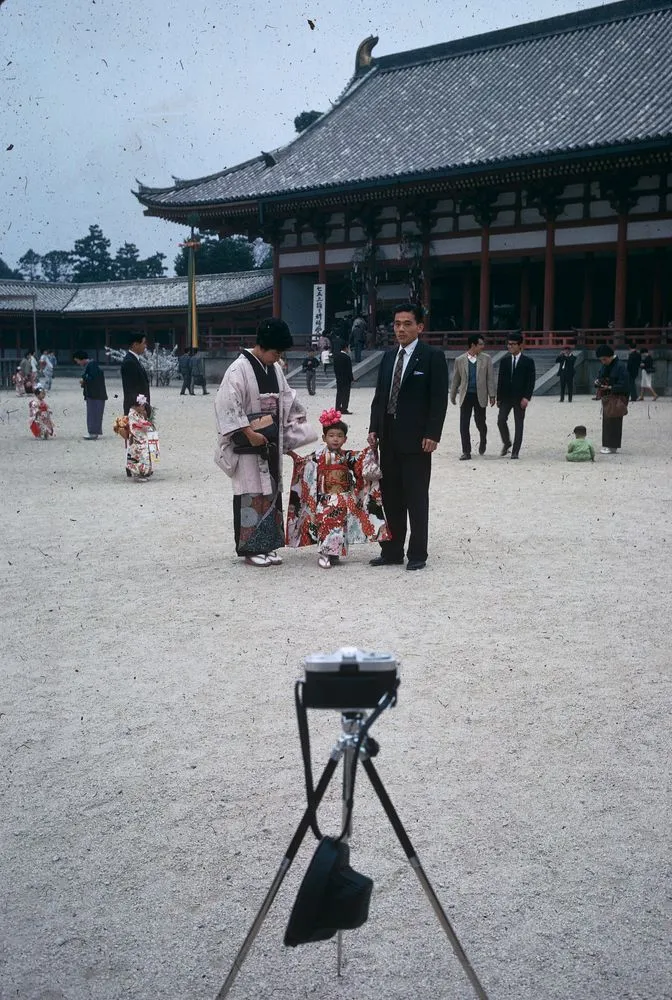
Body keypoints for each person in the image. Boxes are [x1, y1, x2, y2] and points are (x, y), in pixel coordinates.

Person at [214, 318, 317, 567]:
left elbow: (288, 401)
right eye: (276, 352)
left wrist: (289, 438)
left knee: (270, 493)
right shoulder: (238, 369)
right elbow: (227, 405)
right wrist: (249, 433)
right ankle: (250, 548)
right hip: (248, 444)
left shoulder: (275, 369)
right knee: (251, 492)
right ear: (262, 345)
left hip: (270, 441)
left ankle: (268, 544)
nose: (278, 357)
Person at [368, 301, 448, 571]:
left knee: (416, 497)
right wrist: (373, 428)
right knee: (390, 497)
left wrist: (432, 433)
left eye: (407, 324)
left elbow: (438, 399)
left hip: (417, 439)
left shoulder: (432, 356)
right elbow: (380, 397)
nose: (400, 329)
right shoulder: (389, 357)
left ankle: (417, 553)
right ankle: (391, 550)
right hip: (388, 437)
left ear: (420, 327)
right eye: (397, 324)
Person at [286, 408, 389, 569]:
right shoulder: (319, 455)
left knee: (339, 524)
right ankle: (324, 553)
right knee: (327, 521)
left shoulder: (347, 456)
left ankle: (333, 553)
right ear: (324, 437)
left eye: (339, 436)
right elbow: (304, 463)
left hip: (343, 496)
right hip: (325, 496)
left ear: (345, 439)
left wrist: (372, 450)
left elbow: (362, 459)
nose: (335, 439)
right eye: (332, 436)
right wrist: (293, 456)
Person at [449, 334, 496, 459]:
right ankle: (466, 451)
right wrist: (453, 394)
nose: (483, 346)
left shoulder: (486, 359)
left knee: (480, 421)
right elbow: (456, 379)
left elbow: (490, 378)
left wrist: (492, 395)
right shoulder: (460, 360)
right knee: (464, 424)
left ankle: (483, 438)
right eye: (480, 344)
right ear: (473, 345)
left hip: (480, 394)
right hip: (466, 395)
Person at [496, 333, 536, 459]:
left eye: (513, 344)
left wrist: (526, 397)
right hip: (506, 397)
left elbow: (531, 381)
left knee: (519, 424)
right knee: (501, 420)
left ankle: (515, 451)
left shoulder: (528, 362)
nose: (510, 346)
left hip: (520, 397)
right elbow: (500, 380)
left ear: (520, 345)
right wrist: (499, 397)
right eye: (509, 344)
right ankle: (507, 442)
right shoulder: (505, 361)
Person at [595, 344, 629, 454]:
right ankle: (609, 445)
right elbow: (600, 376)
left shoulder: (620, 366)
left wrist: (610, 387)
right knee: (607, 420)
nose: (603, 362)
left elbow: (625, 384)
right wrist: (598, 382)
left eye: (604, 359)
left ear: (611, 356)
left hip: (617, 396)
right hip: (607, 397)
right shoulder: (605, 365)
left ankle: (611, 445)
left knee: (614, 420)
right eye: (601, 360)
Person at [73, 350, 108, 439]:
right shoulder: (91, 365)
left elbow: (93, 379)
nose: (78, 363)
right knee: (93, 413)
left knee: (94, 413)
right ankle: (93, 431)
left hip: (95, 394)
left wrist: (84, 379)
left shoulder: (92, 365)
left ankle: (93, 432)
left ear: (81, 359)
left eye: (77, 360)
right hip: (95, 394)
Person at [123, 394, 159, 480]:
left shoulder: (138, 413)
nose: (143, 408)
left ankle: (145, 471)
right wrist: (146, 424)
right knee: (141, 453)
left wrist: (145, 417)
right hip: (137, 438)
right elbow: (138, 424)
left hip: (142, 436)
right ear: (137, 406)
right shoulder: (132, 414)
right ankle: (140, 473)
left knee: (147, 452)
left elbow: (144, 421)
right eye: (142, 406)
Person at [120, 333, 150, 415]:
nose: (145, 346)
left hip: (141, 407)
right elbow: (130, 388)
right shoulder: (129, 362)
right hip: (135, 408)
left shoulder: (135, 360)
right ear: (135, 344)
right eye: (144, 343)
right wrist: (138, 406)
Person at [333, 341, 355, 414]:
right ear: (346, 348)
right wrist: (351, 378)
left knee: (339, 393)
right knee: (345, 394)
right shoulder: (347, 357)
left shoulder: (336, 356)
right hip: (346, 379)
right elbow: (349, 369)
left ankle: (337, 407)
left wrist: (337, 376)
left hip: (339, 378)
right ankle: (344, 408)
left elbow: (335, 368)